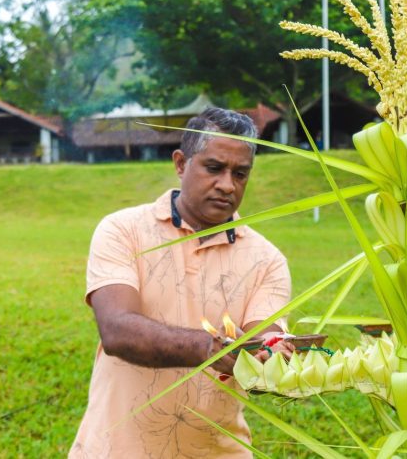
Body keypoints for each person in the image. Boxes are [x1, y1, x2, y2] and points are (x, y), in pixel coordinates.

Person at [70, 108, 293, 458]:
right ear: (180, 163)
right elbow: (116, 330)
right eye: (214, 168)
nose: (227, 185)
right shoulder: (123, 230)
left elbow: (263, 338)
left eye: (241, 174)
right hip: (117, 449)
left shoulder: (267, 260)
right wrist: (209, 349)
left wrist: (269, 354)